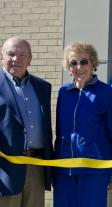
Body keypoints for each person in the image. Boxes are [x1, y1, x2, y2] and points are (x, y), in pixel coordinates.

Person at [53, 41, 112, 207]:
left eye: (84, 61)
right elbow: (59, 131)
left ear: (93, 63)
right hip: (64, 169)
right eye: (73, 63)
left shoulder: (105, 91)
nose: (79, 67)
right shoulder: (63, 92)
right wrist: (53, 170)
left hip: (95, 169)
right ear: (68, 67)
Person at [0, 37, 53, 207]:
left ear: (30, 59)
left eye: (22, 55)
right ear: (2, 56)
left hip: (37, 166)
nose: (16, 59)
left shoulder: (43, 87)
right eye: (11, 54)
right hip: (5, 170)